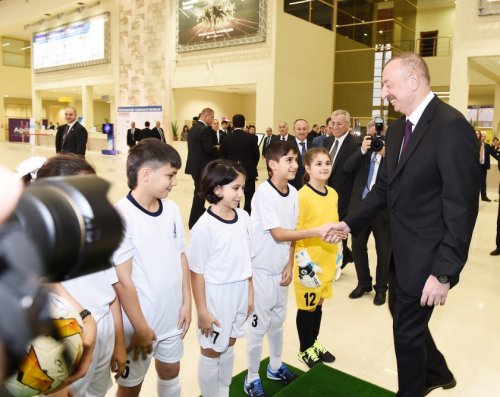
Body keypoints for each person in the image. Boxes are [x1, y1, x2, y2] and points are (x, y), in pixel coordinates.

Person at [328, 52, 479, 396]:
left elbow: (461, 208)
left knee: (406, 335)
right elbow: (383, 189)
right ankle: (437, 371)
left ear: (414, 81)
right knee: (401, 312)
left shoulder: (451, 127)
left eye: (388, 85)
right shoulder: (398, 130)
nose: (384, 93)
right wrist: (349, 225)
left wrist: (444, 272)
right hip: (401, 252)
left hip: (428, 257)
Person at [244, 141, 338, 397]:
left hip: (280, 270)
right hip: (261, 270)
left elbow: (292, 235)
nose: (295, 165)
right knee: (258, 326)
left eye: (296, 160)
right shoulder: (263, 193)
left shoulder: (294, 193)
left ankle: (275, 366)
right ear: (272, 164)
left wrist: (289, 264)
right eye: (289, 160)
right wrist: (317, 231)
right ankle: (252, 378)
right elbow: (278, 233)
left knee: (277, 322)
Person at [36, 154, 127, 397]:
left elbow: (111, 292)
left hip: (103, 328)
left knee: (97, 392)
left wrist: (118, 342)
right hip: (71, 335)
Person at [112, 139, 191, 397]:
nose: (174, 181)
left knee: (170, 370)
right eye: (170, 174)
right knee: (131, 384)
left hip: (172, 317)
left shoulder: (171, 209)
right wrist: (142, 328)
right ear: (146, 174)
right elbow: (122, 280)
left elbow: (181, 257)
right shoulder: (121, 216)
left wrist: (186, 303)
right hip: (140, 325)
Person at [187, 159, 253, 397]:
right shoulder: (203, 227)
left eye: (242, 188)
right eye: (235, 188)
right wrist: (202, 311)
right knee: (212, 351)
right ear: (217, 189)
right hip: (216, 296)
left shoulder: (244, 217)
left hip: (240, 292)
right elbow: (196, 272)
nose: (241, 193)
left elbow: (247, 260)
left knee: (230, 344)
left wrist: (250, 294)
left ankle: (223, 391)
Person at [294, 147, 339, 368]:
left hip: (328, 260)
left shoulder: (333, 193)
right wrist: (303, 263)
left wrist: (339, 254)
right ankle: (305, 349)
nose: (324, 167)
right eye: (318, 164)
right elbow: (297, 229)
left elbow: (335, 224)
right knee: (308, 307)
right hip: (309, 264)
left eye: (327, 163)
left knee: (319, 305)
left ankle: (313, 343)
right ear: (308, 168)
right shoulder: (302, 196)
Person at [344, 120, 391, 305]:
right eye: (370, 137)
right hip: (361, 208)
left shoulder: (392, 152)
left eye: (378, 137)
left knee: (384, 250)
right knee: (357, 249)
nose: (374, 141)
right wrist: (362, 150)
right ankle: (364, 283)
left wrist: (386, 154)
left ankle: (381, 288)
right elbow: (347, 168)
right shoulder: (361, 151)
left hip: (383, 210)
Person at [324, 109, 358, 268]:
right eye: (333, 123)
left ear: (348, 125)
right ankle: (344, 255)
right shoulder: (328, 141)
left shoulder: (354, 144)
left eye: (339, 124)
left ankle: (342, 257)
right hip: (326, 193)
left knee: (341, 229)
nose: (335, 127)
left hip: (344, 195)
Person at [220, 114, 260, 214]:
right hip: (249, 172)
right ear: (244, 124)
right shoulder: (251, 138)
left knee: (233, 196)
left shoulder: (226, 138)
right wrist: (251, 166)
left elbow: (222, 157)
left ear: (233, 124)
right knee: (249, 196)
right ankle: (247, 216)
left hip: (231, 173)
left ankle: (234, 214)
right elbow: (256, 155)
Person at [185, 108, 218, 229]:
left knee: (200, 193)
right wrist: (218, 148)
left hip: (194, 166)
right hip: (202, 167)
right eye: (212, 117)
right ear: (206, 116)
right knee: (199, 194)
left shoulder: (193, 128)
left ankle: (198, 216)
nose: (213, 120)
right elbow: (209, 149)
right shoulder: (204, 130)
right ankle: (193, 221)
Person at [289, 118, 315, 191]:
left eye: (304, 129)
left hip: (311, 186)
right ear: (294, 130)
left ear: (308, 130)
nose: (302, 131)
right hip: (292, 185)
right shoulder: (287, 146)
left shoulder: (314, 147)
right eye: (299, 129)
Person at [478, 130, 494, 202]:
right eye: (482, 136)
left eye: (485, 136)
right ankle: (474, 197)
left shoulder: (487, 146)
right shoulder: (475, 144)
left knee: (483, 182)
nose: (483, 138)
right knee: (475, 182)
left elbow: (493, 153)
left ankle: (484, 196)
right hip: (476, 166)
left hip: (484, 166)